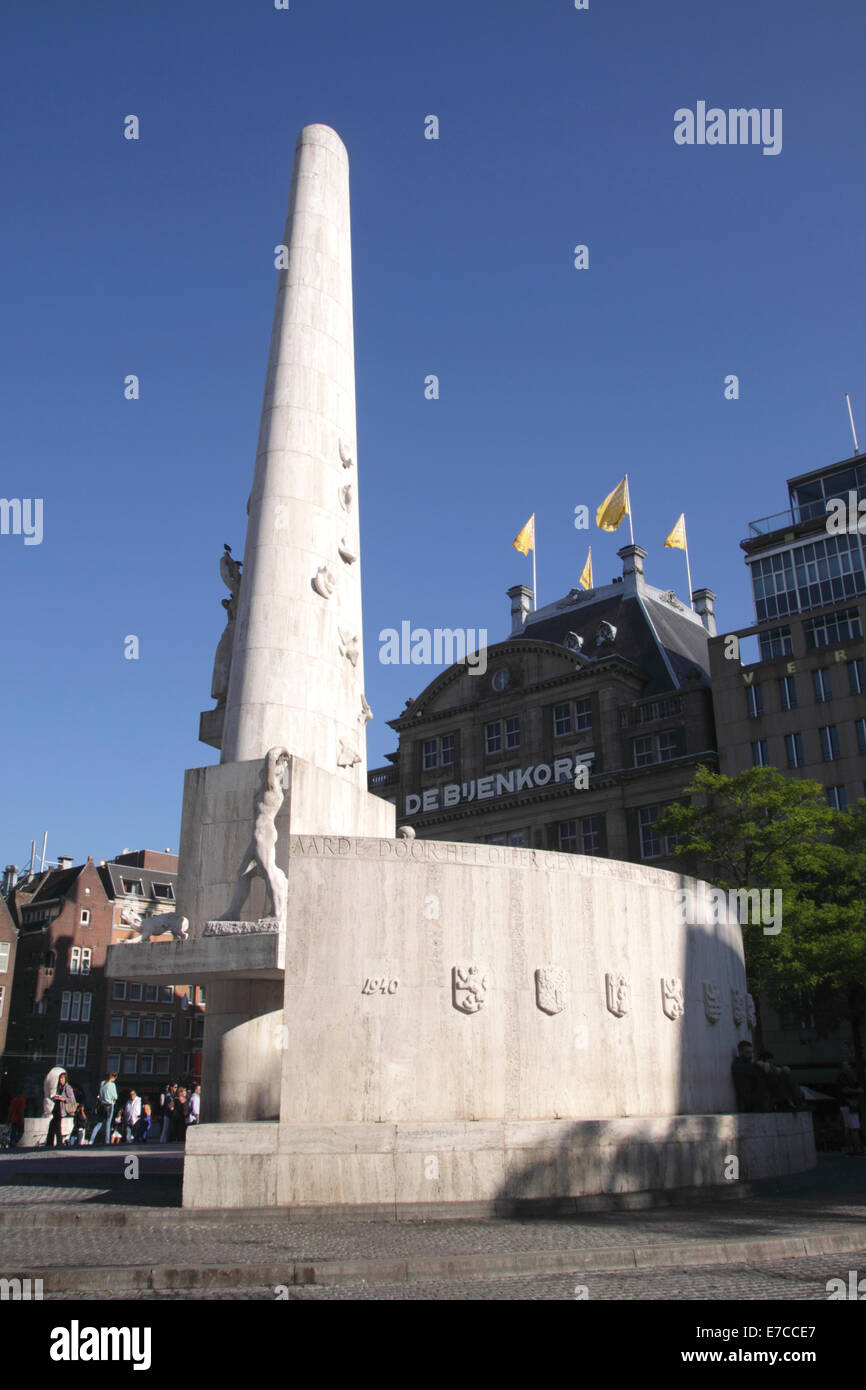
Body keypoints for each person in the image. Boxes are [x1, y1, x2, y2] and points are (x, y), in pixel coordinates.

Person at [46, 1072, 75, 1148]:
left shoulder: (67, 1087)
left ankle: (56, 1143)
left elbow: (72, 1100)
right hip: (56, 1109)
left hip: (61, 1110)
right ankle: (53, 1143)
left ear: (65, 1079)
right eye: (60, 1078)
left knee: (56, 1126)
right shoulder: (59, 1087)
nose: (60, 1080)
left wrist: (62, 1098)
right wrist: (55, 1098)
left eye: (62, 1078)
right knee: (54, 1126)